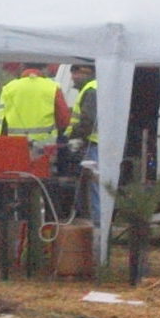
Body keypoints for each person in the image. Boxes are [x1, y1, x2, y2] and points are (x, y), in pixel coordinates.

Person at [0, 62, 70, 264]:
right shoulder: (52, 87)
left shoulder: (9, 88)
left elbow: (0, 125)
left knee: (23, 198)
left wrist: (1, 151)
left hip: (17, 151)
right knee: (50, 199)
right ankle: (50, 248)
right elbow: (63, 120)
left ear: (23, 69)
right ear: (43, 70)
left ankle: (24, 249)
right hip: (45, 152)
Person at [66, 64, 100, 220]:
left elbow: (88, 121)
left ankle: (96, 226)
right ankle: (91, 223)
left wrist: (74, 136)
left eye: (76, 73)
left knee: (95, 188)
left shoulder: (91, 90)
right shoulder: (93, 88)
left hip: (94, 145)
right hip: (95, 144)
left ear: (88, 72)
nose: (73, 77)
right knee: (91, 188)